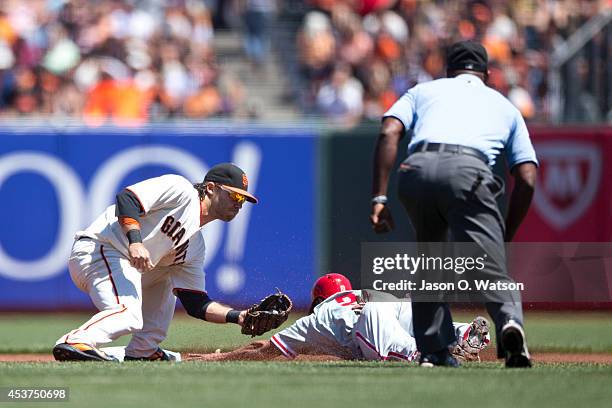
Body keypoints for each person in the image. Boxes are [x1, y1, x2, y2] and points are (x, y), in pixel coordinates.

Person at [370, 40, 538, 368]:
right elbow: (527, 178)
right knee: (488, 265)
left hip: (416, 169)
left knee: (431, 261)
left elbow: (390, 130)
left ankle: (433, 351)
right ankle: (508, 323)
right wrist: (506, 235)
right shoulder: (504, 104)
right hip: (469, 172)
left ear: (448, 71)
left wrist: (379, 197)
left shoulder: (425, 90)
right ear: (487, 74)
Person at [53, 163, 259, 362]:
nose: (239, 203)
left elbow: (196, 303)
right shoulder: (181, 190)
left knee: (170, 275)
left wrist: (238, 316)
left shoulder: (195, 245)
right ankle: (76, 341)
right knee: (129, 315)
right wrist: (135, 242)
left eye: (244, 199)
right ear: (212, 188)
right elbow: (128, 198)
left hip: (126, 265)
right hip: (98, 250)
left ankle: (143, 350)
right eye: (235, 195)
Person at [192, 273, 490, 363]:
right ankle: (459, 335)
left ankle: (419, 354)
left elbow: (266, 349)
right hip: (391, 300)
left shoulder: (319, 316)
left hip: (371, 315)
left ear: (318, 299)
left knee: (396, 345)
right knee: (410, 319)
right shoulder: (358, 292)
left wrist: (217, 359)